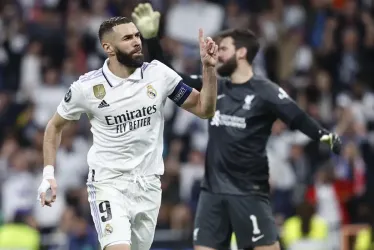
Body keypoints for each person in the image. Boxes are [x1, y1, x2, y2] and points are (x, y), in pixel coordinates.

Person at [132, 4, 342, 250]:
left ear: (241, 53)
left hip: (249, 193)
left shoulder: (266, 91)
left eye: (223, 49)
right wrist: (151, 38)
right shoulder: (214, 87)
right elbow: (169, 77)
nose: (217, 54)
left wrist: (324, 136)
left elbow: (297, 117)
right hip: (212, 193)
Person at [36, 16, 219, 250]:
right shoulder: (87, 87)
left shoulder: (159, 74)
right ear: (108, 48)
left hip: (149, 185)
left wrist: (209, 69)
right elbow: (54, 127)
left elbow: (204, 109)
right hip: (109, 183)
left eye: (136, 35)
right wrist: (48, 174)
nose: (136, 42)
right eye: (127, 38)